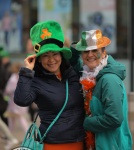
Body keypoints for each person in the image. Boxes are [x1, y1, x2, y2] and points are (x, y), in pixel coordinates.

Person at [14, 20, 85, 150]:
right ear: (39, 59)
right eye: (45, 55)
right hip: (52, 145)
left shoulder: (72, 73)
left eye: (55, 54)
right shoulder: (36, 80)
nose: (51, 60)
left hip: (80, 142)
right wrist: (27, 71)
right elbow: (21, 100)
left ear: (61, 55)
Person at [70, 29, 133, 150]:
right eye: (86, 51)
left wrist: (84, 123)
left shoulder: (108, 80)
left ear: (104, 53)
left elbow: (114, 118)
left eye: (94, 50)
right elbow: (73, 63)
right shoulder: (90, 75)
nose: (90, 55)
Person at [4, 62, 29, 133]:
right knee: (20, 119)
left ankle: (10, 137)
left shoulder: (13, 78)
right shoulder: (23, 76)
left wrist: (5, 95)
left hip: (14, 102)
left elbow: (8, 90)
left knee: (13, 121)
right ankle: (11, 137)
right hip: (22, 101)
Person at [0, 47, 11, 125]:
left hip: (5, 94)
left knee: (4, 112)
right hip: (4, 93)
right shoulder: (4, 68)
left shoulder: (7, 68)